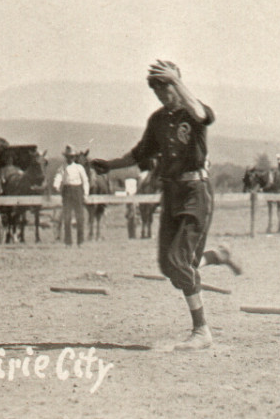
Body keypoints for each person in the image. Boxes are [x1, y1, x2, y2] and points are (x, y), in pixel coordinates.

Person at [93, 60, 227, 350]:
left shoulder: (193, 111)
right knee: (169, 266)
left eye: (167, 85)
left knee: (179, 263)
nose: (163, 92)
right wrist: (111, 165)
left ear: (178, 82)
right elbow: (139, 153)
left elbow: (201, 114)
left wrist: (176, 80)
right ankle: (213, 257)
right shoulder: (157, 120)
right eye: (157, 88)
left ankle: (202, 331)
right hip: (171, 193)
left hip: (196, 191)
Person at [53, 146, 91, 246]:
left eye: (72, 157)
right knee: (67, 217)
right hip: (67, 191)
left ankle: (80, 241)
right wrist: (56, 185)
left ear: (75, 158)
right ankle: (68, 241)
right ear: (66, 157)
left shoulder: (79, 168)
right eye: (68, 157)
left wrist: (85, 194)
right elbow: (58, 176)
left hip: (78, 191)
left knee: (80, 217)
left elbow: (85, 181)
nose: (70, 159)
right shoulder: (63, 167)